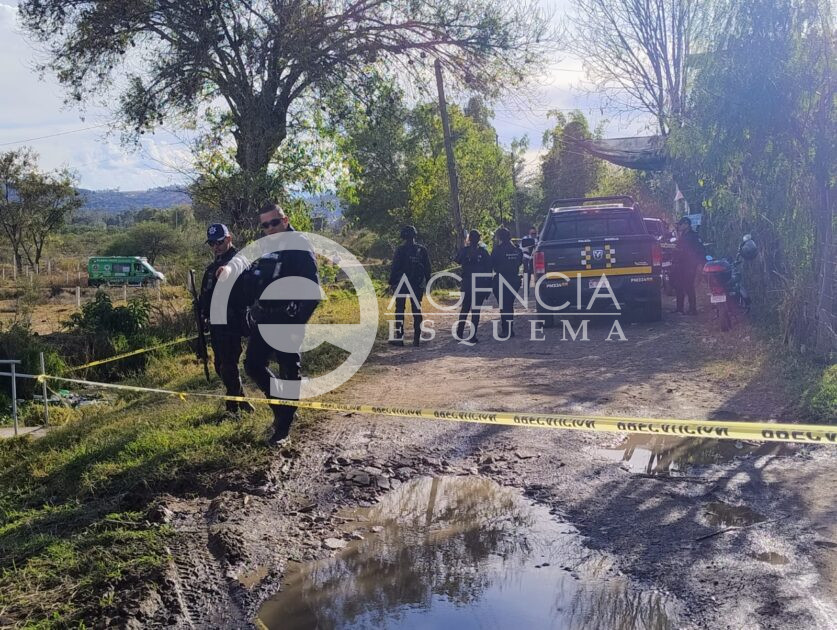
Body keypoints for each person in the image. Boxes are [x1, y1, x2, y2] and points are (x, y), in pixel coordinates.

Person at [220, 203, 321, 445]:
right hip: (264, 317)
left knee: (289, 372)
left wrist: (298, 321)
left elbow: (313, 290)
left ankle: (283, 430)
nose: (270, 228)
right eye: (265, 225)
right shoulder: (266, 246)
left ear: (285, 220)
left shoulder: (299, 245)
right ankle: (281, 410)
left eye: (274, 222)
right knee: (253, 365)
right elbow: (253, 275)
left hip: (288, 319)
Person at [198, 223, 256, 414]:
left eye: (220, 242)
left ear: (229, 239)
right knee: (219, 366)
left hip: (233, 323)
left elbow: (238, 267)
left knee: (228, 366)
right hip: (216, 325)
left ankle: (232, 410)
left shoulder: (238, 260)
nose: (216, 246)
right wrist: (202, 313)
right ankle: (243, 400)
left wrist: (228, 270)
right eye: (212, 243)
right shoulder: (212, 267)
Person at [389, 225, 432, 347]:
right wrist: (427, 282)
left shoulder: (400, 250)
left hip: (402, 284)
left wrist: (391, 282)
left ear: (403, 236)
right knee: (416, 310)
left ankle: (399, 338)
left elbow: (395, 268)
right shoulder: (422, 250)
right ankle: (416, 339)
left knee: (399, 310)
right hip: (417, 284)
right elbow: (428, 268)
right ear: (414, 235)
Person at [454, 229, 493, 343]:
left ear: (469, 239)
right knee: (475, 311)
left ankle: (459, 333)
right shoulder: (483, 252)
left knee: (465, 309)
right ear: (479, 239)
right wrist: (488, 287)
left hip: (467, 284)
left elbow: (457, 260)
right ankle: (472, 336)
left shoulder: (464, 251)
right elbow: (489, 270)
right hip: (479, 284)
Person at [491, 227, 523, 338]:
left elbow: (492, 264)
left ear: (500, 237)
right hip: (514, 280)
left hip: (502, 279)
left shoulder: (497, 250)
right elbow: (519, 262)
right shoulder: (517, 250)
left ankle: (506, 330)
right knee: (509, 304)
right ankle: (509, 329)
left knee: (504, 306)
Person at [672, 216, 705, 315]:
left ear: (686, 224)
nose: (679, 226)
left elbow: (699, 251)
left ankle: (692, 309)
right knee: (679, 286)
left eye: (681, 224)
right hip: (680, 264)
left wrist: (699, 264)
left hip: (689, 265)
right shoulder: (683, 235)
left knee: (688, 286)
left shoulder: (693, 236)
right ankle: (679, 308)